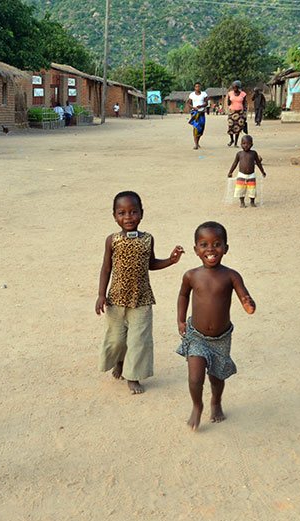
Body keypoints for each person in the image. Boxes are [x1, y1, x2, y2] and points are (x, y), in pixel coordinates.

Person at [96, 191, 184, 394]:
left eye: (133, 212)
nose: (128, 217)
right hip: (116, 299)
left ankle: (133, 376)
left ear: (142, 214)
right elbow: (106, 268)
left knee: (139, 339)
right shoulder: (112, 240)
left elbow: (151, 264)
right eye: (122, 213)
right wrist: (101, 294)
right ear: (114, 216)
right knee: (116, 338)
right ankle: (119, 360)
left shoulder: (147, 239)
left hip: (142, 298)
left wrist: (171, 260)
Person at [176, 222, 255, 431]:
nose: (210, 249)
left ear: (226, 248)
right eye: (204, 244)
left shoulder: (231, 275)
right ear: (195, 250)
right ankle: (197, 405)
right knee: (195, 377)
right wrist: (181, 320)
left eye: (217, 244)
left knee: (217, 377)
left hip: (221, 338)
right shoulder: (191, 275)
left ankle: (216, 401)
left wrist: (248, 302)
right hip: (196, 335)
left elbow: (243, 294)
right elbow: (183, 295)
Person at [227, 135, 266, 208]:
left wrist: (262, 171)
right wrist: (230, 172)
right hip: (241, 175)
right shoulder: (239, 154)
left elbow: (258, 163)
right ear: (241, 144)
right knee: (241, 189)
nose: (246, 145)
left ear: (252, 144)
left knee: (252, 189)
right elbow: (235, 163)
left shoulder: (253, 153)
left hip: (251, 175)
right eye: (243, 143)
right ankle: (242, 202)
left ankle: (252, 201)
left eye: (248, 144)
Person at [187, 82, 209, 150]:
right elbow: (188, 103)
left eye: (199, 86)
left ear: (200, 87)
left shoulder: (204, 94)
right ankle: (196, 144)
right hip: (194, 113)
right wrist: (194, 107)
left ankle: (198, 141)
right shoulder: (192, 94)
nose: (197, 88)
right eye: (196, 87)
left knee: (201, 128)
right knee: (196, 127)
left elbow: (206, 103)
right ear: (194, 87)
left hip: (201, 112)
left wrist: (201, 106)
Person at [226, 80, 248, 147]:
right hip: (232, 112)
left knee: (238, 128)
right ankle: (231, 140)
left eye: (236, 87)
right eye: (234, 87)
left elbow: (244, 104)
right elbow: (228, 103)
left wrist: (244, 113)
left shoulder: (243, 94)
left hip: (240, 113)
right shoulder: (230, 94)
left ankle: (235, 143)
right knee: (230, 127)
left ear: (239, 87)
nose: (235, 88)